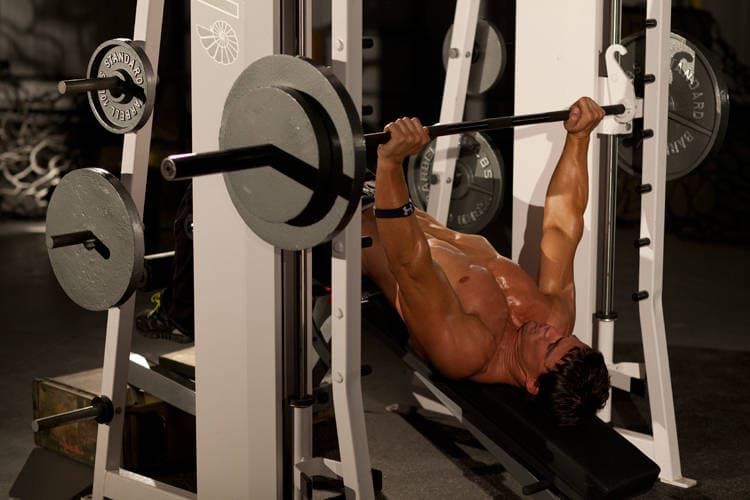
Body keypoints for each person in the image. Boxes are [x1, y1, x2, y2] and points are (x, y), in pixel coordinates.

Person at [362, 97, 610, 426]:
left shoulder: (464, 351)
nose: (552, 332)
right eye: (565, 337)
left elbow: (410, 265)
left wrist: (391, 164)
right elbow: (562, 228)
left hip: (344, 220)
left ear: (533, 384)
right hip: (377, 188)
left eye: (550, 346)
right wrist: (579, 138)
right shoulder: (554, 318)